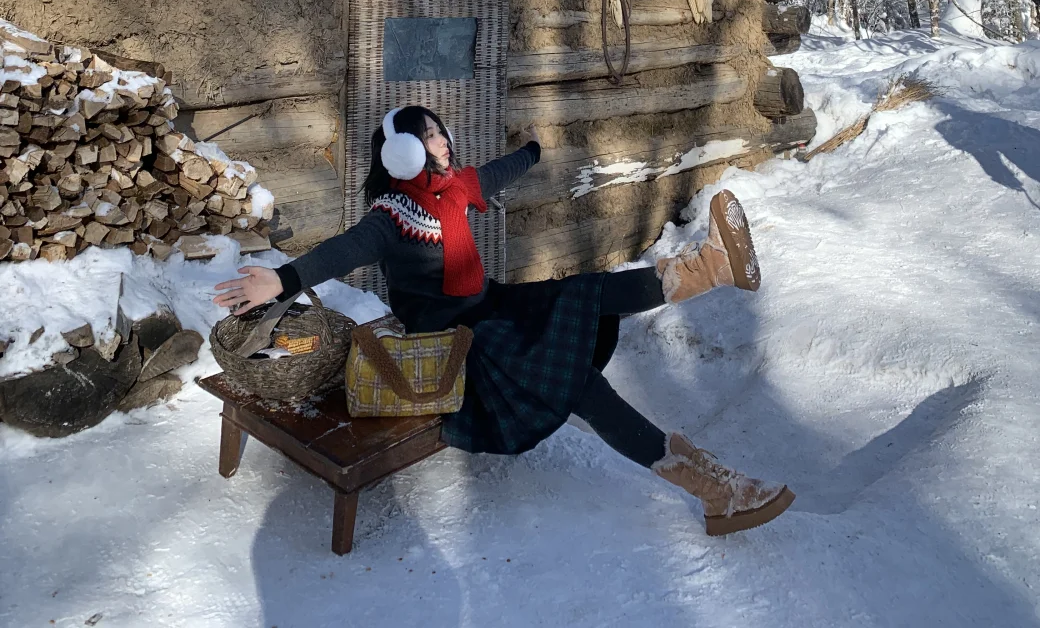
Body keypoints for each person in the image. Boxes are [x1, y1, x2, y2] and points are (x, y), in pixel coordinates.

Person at [213, 105, 794, 536]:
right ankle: (715, 491)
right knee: (585, 391)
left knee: (585, 293)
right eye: (426, 136)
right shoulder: (389, 217)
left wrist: (533, 149)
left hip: (493, 308)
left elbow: (494, 173)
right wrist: (285, 280)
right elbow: (342, 249)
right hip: (457, 342)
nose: (440, 141)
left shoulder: (455, 189)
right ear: (400, 154)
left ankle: (709, 269)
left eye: (439, 130)